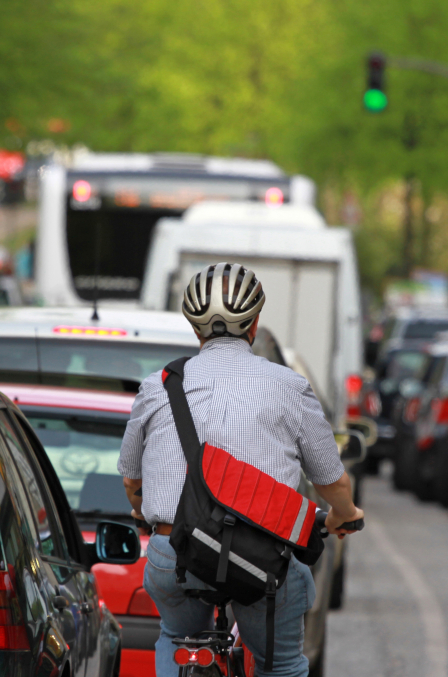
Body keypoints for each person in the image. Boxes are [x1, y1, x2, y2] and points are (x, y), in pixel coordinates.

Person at [118, 262, 364, 677]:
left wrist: (144, 512)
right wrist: (345, 514)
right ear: (254, 325)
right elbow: (333, 480)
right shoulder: (289, 386)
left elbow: (131, 479)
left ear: (194, 329)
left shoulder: (157, 387)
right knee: (281, 664)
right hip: (261, 561)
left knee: (174, 637)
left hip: (173, 552)